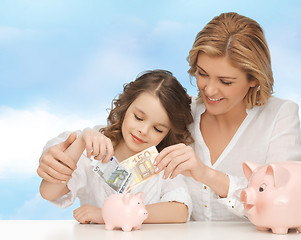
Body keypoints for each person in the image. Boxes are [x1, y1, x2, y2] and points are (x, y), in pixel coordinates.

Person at [153, 12, 301, 221]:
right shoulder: (181, 109)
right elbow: (125, 134)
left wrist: (207, 174)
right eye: (202, 74)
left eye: (225, 81)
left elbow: (284, 203)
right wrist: (93, 136)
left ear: (253, 78)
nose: (210, 90)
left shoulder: (280, 116)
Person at [38, 70, 194, 224]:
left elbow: (180, 210)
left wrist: (111, 215)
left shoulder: (163, 162)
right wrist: (81, 141)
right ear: (125, 107)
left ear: (168, 133)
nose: (143, 131)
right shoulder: (92, 149)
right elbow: (48, 192)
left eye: (157, 129)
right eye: (138, 117)